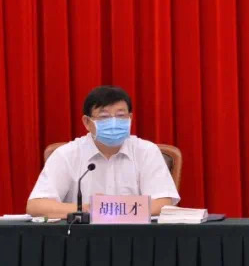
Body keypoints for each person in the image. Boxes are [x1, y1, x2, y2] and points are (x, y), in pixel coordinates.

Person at [26, 85, 180, 218]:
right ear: (87, 122)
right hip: (81, 237)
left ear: (130, 118)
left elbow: (162, 203)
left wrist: (109, 209)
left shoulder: (146, 151)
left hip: (135, 236)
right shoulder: (66, 155)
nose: (113, 122)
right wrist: (85, 209)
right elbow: (36, 206)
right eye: (104, 116)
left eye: (120, 116)